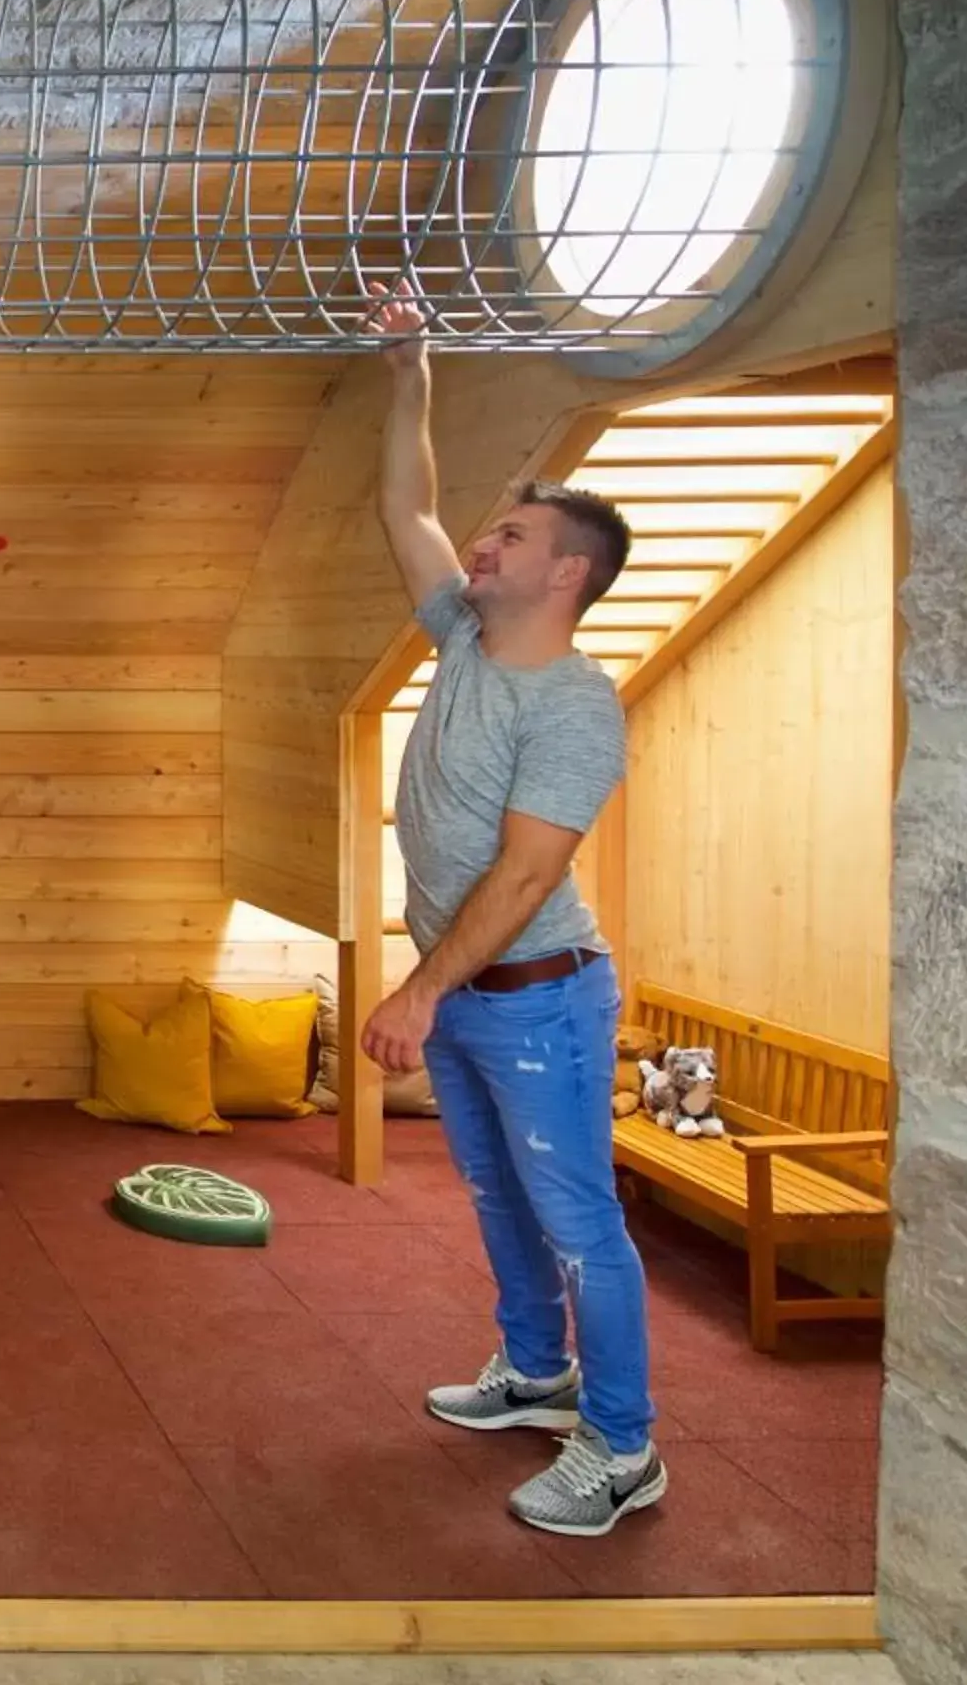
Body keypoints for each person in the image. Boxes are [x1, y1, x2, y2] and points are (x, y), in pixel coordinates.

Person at [358, 291, 662, 1539]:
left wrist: (419, 989)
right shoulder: (465, 640)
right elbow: (406, 507)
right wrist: (408, 365)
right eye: (494, 531)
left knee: (580, 1219)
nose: (484, 543)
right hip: (476, 1003)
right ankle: (536, 1373)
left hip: (541, 1003)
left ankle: (625, 1444)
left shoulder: (575, 705)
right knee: (499, 1202)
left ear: (569, 572)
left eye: (515, 536)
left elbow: (528, 876)